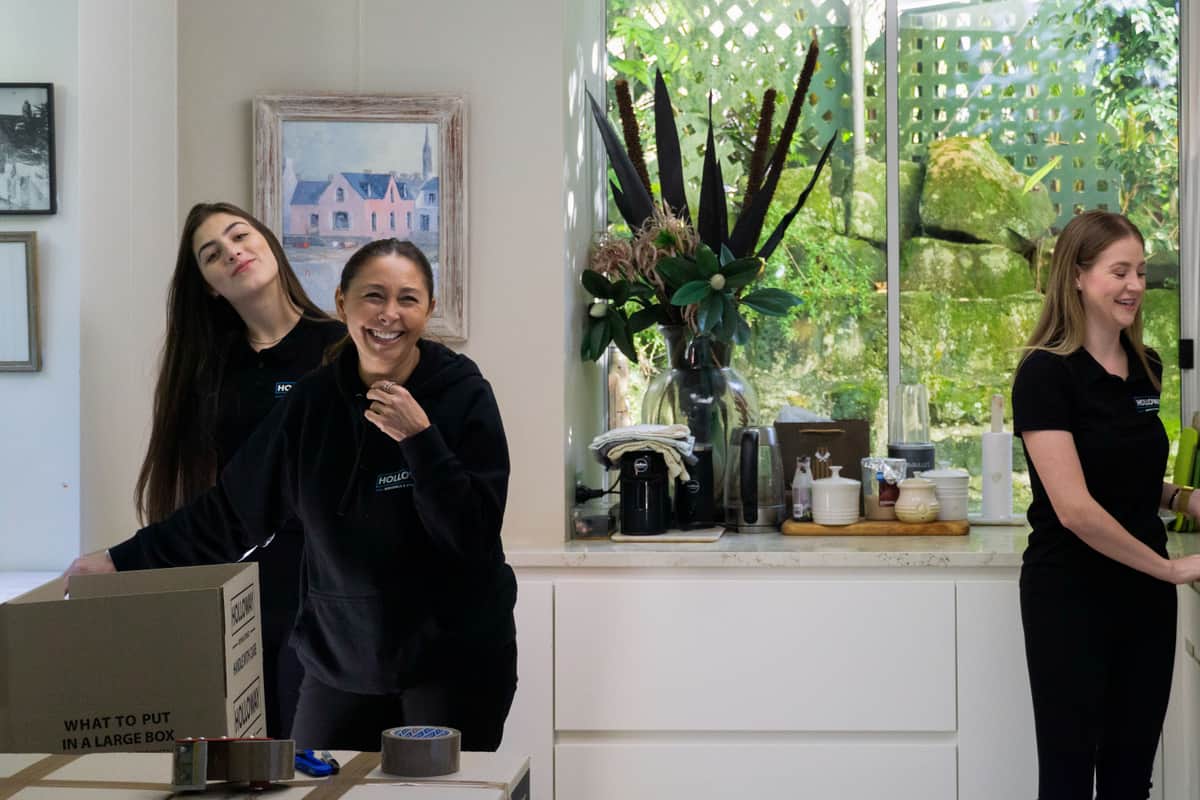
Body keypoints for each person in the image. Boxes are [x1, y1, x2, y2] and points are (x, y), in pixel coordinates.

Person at [68, 238, 517, 752]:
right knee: (310, 785)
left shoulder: (462, 394)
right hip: (340, 659)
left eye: (408, 299)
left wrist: (420, 439)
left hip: (453, 664)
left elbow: (473, 536)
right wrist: (122, 561)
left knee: (435, 790)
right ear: (342, 303)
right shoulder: (311, 403)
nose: (389, 314)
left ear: (429, 309)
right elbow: (229, 513)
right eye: (373, 295)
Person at [135, 201, 345, 738]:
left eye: (239, 236)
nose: (232, 252)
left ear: (268, 243)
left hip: (333, 588)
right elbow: (197, 491)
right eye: (212, 254)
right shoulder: (208, 369)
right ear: (209, 286)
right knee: (251, 751)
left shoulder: (339, 348)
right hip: (244, 589)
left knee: (316, 749)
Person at [1012, 209, 1200, 798]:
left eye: (1141, 272)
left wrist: (1184, 498)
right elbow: (1074, 507)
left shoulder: (1147, 368)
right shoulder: (1044, 374)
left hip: (1143, 600)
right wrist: (1171, 569)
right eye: (1120, 272)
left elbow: (1124, 473)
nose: (1135, 286)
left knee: (1129, 776)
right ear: (1077, 275)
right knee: (1068, 777)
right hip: (1071, 595)